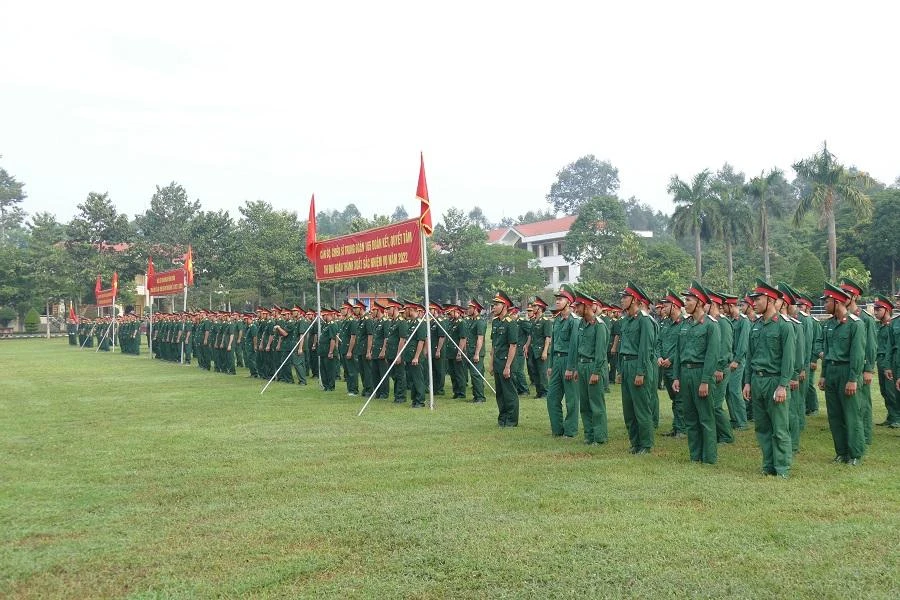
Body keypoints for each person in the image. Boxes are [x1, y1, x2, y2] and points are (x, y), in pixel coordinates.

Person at [742, 280, 795, 478]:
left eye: (758, 299)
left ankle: (782, 468)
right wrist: (747, 382)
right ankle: (768, 465)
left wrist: (782, 385)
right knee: (762, 427)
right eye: (753, 299)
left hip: (774, 381)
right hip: (757, 380)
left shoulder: (784, 326)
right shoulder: (755, 326)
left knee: (779, 428)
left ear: (771, 300)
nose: (754, 302)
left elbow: (788, 359)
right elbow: (750, 357)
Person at [672, 281, 720, 464]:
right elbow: (678, 352)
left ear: (699, 302)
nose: (685, 303)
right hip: (685, 373)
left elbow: (712, 355)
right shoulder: (684, 324)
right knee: (690, 416)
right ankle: (695, 455)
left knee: (706, 417)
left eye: (689, 300)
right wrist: (676, 376)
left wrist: (706, 380)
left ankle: (709, 457)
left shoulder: (710, 325)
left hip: (701, 373)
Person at [819, 282, 866, 465]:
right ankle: (841, 452)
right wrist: (823, 374)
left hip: (847, 371)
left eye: (827, 302)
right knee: (835, 415)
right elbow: (827, 350)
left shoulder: (855, 324)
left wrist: (853, 379)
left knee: (852, 414)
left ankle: (855, 454)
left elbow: (857, 354)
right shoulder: (829, 325)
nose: (824, 305)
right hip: (831, 371)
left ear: (837, 302)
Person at [618, 282, 657, 454]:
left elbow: (645, 349)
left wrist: (640, 372)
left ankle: (646, 444)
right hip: (626, 365)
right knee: (629, 409)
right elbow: (622, 346)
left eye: (625, 297)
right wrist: (620, 369)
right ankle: (635, 442)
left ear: (634, 299)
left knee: (641, 408)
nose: (622, 300)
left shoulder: (645, 321)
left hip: (638, 365)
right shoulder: (626, 320)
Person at [839, 278, 877, 446]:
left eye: (846, 294)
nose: (842, 297)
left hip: (861, 367)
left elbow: (870, 345)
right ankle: (851, 435)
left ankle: (866, 435)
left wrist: (868, 368)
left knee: (863, 403)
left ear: (854, 297)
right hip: (847, 366)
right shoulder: (843, 317)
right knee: (851, 405)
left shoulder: (866, 319)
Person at [572, 290, 609, 444]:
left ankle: (600, 437)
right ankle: (589, 435)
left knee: (596, 404)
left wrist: (596, 372)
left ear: (586, 306)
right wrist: (575, 368)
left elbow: (601, 352)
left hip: (593, 366)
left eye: (578, 307)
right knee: (585, 404)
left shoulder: (599, 325)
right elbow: (578, 347)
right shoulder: (581, 324)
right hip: (581, 366)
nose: (575, 310)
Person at [546, 284, 580, 438]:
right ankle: (557, 429)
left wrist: (571, 367)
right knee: (552, 396)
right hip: (557, 361)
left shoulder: (574, 321)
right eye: (557, 299)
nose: (557, 302)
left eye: (560, 299)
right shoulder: (558, 320)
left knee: (571, 399)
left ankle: (570, 430)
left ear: (569, 302)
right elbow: (553, 345)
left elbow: (574, 345)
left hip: (568, 361)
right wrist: (551, 365)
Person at [657, 289, 686, 438]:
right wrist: (659, 357)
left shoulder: (684, 324)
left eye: (666, 306)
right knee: (674, 398)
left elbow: (683, 347)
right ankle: (676, 427)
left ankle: (681, 429)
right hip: (665, 367)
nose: (663, 309)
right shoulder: (665, 323)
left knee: (680, 398)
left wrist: (671, 359)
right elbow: (659, 342)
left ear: (674, 306)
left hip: (677, 367)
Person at [489, 291, 520, 427]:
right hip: (497, 362)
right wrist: (491, 364)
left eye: (496, 305)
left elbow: (512, 346)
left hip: (506, 362)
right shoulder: (495, 322)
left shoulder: (510, 323)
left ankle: (511, 420)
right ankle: (502, 418)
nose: (493, 308)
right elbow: (494, 345)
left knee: (509, 393)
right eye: (493, 305)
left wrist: (508, 366)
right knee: (500, 393)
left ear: (504, 306)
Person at [873, 294, 899, 427]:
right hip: (882, 360)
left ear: (887, 310)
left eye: (879, 310)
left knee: (892, 390)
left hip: (892, 360)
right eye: (875, 309)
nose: (875, 312)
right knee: (884, 390)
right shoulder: (879, 325)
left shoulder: (891, 325)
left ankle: (896, 417)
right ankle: (891, 415)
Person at [725, 294, 749, 430]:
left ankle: (742, 421)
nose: (723, 308)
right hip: (729, 360)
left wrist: (737, 360)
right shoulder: (730, 320)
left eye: (725, 306)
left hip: (737, 361)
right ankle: (734, 418)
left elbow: (743, 343)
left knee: (735, 390)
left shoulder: (743, 321)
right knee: (728, 391)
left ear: (731, 305)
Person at [525, 297, 551, 399]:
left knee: (542, 372)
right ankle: (539, 392)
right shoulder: (534, 320)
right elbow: (530, 336)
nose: (533, 307)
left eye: (535, 306)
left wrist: (545, 351)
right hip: (533, 350)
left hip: (541, 350)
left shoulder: (546, 321)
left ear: (540, 308)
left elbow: (547, 337)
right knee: (534, 371)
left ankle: (545, 392)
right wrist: (526, 346)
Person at [464, 299, 487, 403]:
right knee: (473, 374)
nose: (468, 309)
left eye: (470, 308)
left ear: (475, 309)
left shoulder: (480, 322)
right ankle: (476, 396)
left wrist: (477, 353)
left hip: (476, 352)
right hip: (470, 351)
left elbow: (480, 338)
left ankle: (480, 397)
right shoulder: (471, 321)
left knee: (476, 374)